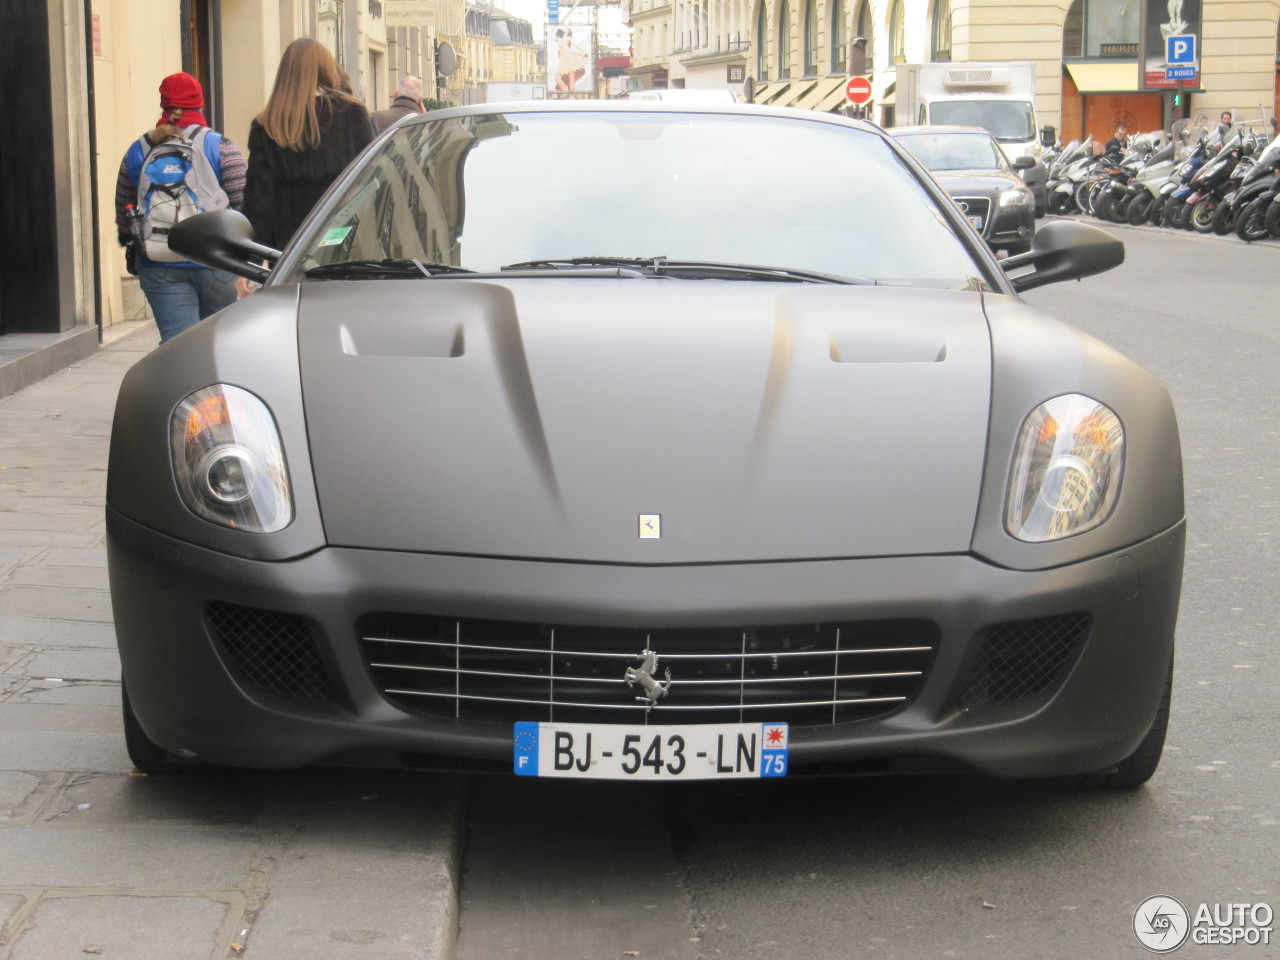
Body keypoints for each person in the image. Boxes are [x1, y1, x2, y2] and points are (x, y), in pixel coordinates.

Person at [114, 72, 246, 343]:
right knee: (217, 343)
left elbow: (124, 206)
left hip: (158, 261)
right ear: (199, 104)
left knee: (176, 345)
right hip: (214, 261)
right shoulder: (220, 146)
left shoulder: (138, 149)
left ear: (164, 105)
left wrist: (131, 239)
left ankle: (180, 385)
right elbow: (243, 203)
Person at [239, 38, 375, 295]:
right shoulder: (353, 115)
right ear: (326, 69)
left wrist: (250, 262)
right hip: (351, 251)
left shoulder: (268, 125)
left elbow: (260, 202)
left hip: (291, 257)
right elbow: (373, 183)